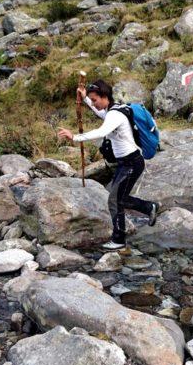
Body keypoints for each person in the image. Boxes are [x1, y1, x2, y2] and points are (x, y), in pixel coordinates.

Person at [57, 79, 159, 250]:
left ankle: (118, 239)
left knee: (114, 200)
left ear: (105, 97)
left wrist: (74, 137)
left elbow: (101, 131)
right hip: (127, 163)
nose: (95, 103)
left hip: (131, 163)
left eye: (95, 99)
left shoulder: (115, 115)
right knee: (121, 198)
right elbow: (100, 114)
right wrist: (86, 99)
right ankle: (150, 207)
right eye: (93, 100)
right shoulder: (112, 109)